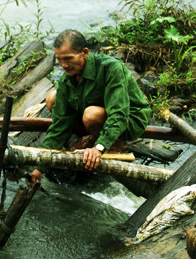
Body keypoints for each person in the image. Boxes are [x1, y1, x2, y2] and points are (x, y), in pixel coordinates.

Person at [28, 29, 151, 186]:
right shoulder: (68, 79)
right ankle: (93, 135)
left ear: (85, 53)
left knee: (91, 115)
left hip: (128, 120)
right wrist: (40, 168)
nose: (63, 65)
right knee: (53, 97)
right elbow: (59, 126)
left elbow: (119, 113)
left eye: (68, 58)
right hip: (96, 115)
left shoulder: (111, 68)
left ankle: (115, 144)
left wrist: (98, 148)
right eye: (59, 59)